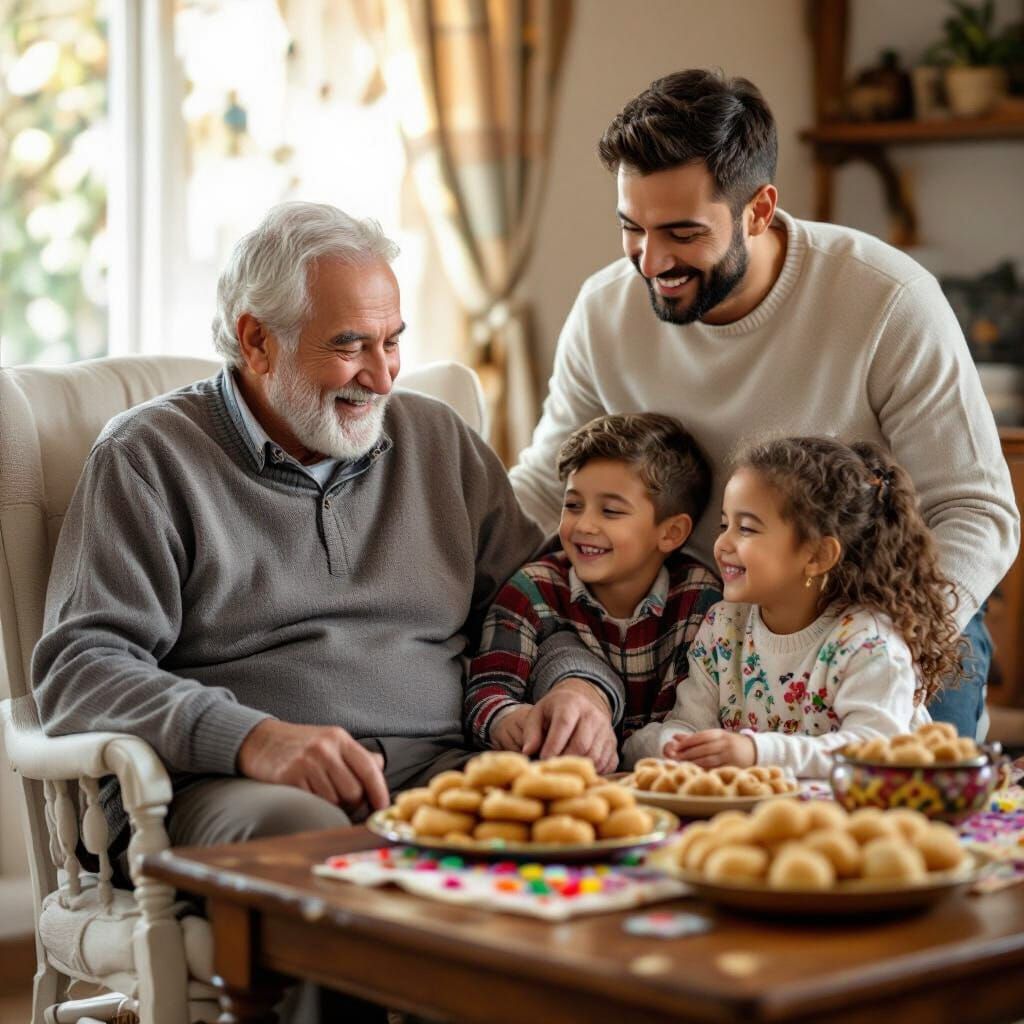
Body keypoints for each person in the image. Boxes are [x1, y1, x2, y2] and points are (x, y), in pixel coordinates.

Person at [30, 201, 610, 865]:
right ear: (256, 341)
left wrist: (576, 686)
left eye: (392, 340)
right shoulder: (148, 457)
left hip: (444, 767)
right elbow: (80, 668)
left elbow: (543, 599)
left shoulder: (438, 440)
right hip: (232, 785)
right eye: (349, 345)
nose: (384, 375)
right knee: (311, 835)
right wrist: (254, 739)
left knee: (596, 819)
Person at [510, 68, 1018, 739]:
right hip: (703, 636)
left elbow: (977, 512)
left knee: (894, 824)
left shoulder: (886, 299)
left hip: (875, 626)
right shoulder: (605, 312)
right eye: (632, 227)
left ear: (759, 209)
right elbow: (545, 494)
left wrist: (877, 649)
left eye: (683, 233)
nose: (651, 260)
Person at [657, 436, 961, 778]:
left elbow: (874, 749)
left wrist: (758, 752)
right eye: (724, 524)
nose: (722, 543)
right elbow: (689, 721)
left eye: (746, 529)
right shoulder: (724, 626)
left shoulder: (869, 641)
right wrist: (676, 745)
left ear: (817, 555)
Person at [465, 413, 721, 771]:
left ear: (671, 533)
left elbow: (697, 718)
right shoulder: (532, 590)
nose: (584, 525)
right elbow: (487, 689)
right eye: (573, 505)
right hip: (561, 775)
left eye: (611, 511)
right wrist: (507, 718)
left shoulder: (700, 600)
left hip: (658, 780)